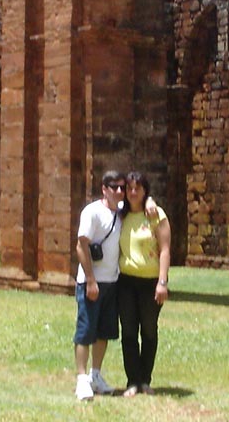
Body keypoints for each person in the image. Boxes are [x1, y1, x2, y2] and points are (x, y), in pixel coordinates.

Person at [73, 170, 126, 401]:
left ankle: (96, 374)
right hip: (91, 282)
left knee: (104, 332)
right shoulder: (92, 212)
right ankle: (82, 379)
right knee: (86, 331)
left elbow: (144, 201)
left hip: (111, 282)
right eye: (114, 187)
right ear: (104, 188)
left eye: (122, 187)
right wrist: (91, 280)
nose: (119, 191)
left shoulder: (122, 213)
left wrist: (151, 202)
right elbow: (81, 246)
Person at [116, 170, 170, 396]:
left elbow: (165, 249)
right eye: (129, 188)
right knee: (128, 332)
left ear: (145, 190)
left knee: (148, 331)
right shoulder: (120, 215)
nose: (133, 192)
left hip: (150, 282)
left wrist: (162, 282)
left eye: (138, 188)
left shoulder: (156, 214)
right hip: (126, 282)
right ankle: (132, 381)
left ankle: (145, 379)